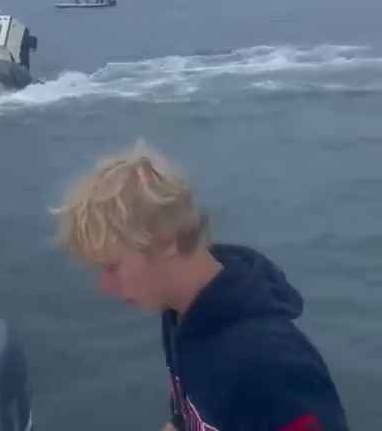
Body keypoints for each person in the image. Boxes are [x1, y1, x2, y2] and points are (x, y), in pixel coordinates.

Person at [53, 146, 349, 431]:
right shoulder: (181, 314)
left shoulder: (268, 363)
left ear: (166, 240)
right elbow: (186, 419)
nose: (104, 287)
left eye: (112, 267)